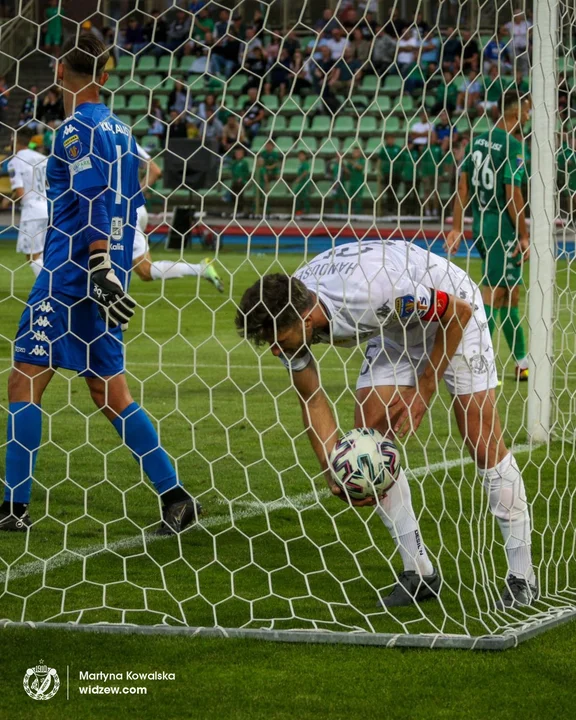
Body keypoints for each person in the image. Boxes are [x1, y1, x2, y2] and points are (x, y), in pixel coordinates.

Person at [235, 239, 537, 609]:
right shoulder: (288, 314)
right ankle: (419, 571)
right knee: (368, 443)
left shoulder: (370, 293)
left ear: (307, 319)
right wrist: (333, 465)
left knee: (481, 438)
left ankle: (522, 576)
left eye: (280, 341)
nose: (276, 350)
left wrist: (424, 390)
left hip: (452, 306)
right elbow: (311, 397)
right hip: (394, 324)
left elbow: (455, 313)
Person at [0, 35, 201, 535]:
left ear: (59, 68)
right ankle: (175, 496)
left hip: (69, 275)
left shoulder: (73, 130)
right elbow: (129, 199)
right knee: (110, 392)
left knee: (24, 381)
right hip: (103, 276)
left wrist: (94, 263)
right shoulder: (123, 131)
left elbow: (90, 197)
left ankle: (12, 508)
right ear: (107, 75)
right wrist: (114, 262)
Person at [447, 90, 531, 382]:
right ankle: (476, 360)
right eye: (527, 110)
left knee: (510, 295)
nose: (529, 116)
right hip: (502, 226)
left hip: (481, 224)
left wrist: (458, 227)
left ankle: (521, 362)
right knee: (494, 295)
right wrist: (523, 234)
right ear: (515, 112)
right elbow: (513, 193)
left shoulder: (477, 141)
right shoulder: (514, 146)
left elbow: (463, 188)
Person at [131, 143, 223, 290]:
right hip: (137, 208)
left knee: (144, 270)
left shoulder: (97, 136)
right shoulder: (128, 138)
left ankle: (200, 269)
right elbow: (155, 171)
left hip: (122, 212)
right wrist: (136, 195)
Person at [7, 126, 48, 277]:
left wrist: (8, 202)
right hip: (47, 208)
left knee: (32, 256)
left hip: (32, 211)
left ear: (15, 140)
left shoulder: (16, 161)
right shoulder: (42, 158)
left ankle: (48, 288)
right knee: (43, 253)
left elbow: (20, 192)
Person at [346, 147, 366, 215]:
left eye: (356, 152)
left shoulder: (362, 161)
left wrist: (352, 163)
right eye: (353, 152)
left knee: (358, 198)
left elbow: (360, 167)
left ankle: (358, 213)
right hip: (352, 182)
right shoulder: (351, 162)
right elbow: (348, 172)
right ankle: (351, 212)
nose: (354, 153)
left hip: (359, 182)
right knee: (351, 197)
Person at [294, 150, 312, 216]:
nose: (300, 157)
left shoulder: (305, 163)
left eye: (302, 155)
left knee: (305, 197)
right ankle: (298, 211)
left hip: (305, 182)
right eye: (299, 156)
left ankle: (306, 212)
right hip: (301, 183)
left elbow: (305, 172)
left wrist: (298, 179)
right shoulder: (300, 164)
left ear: (305, 156)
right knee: (297, 195)